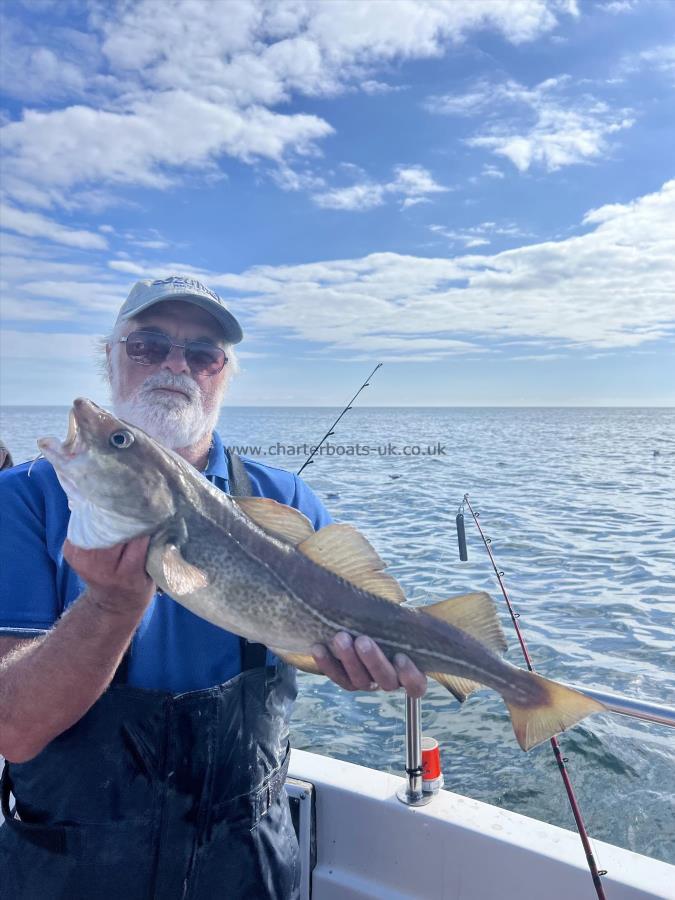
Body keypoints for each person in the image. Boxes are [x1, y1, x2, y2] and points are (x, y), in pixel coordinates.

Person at [0, 275, 426, 899]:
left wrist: (360, 660)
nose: (177, 365)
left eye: (203, 354)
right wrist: (113, 604)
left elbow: (340, 633)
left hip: (246, 863)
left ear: (223, 374)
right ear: (109, 356)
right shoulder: (24, 501)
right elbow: (12, 727)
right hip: (68, 869)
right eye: (149, 345)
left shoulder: (284, 501)